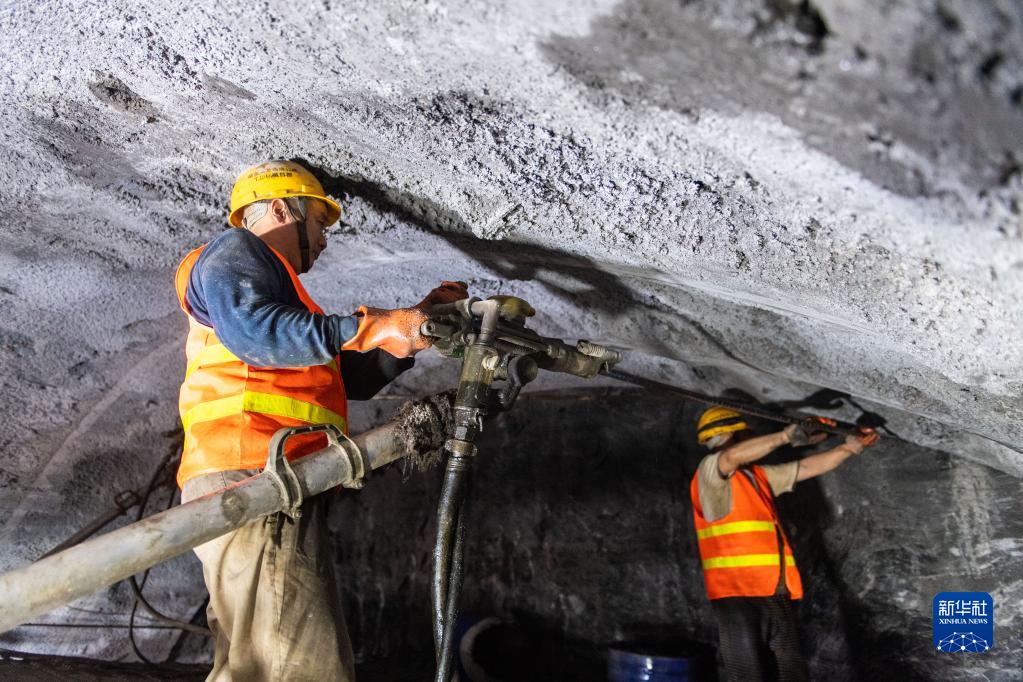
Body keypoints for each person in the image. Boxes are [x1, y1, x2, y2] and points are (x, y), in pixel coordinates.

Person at [174, 160, 467, 681]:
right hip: (257, 478)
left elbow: (348, 379)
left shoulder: (284, 307)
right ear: (280, 208)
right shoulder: (235, 251)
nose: (326, 238)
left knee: (252, 667)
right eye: (318, 221)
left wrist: (410, 330)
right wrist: (371, 327)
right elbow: (259, 334)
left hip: (259, 479)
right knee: (303, 669)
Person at [689, 406, 879, 681]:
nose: (750, 439)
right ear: (734, 434)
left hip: (774, 591)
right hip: (738, 595)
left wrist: (849, 448)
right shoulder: (709, 473)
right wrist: (787, 436)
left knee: (790, 671)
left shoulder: (755, 476)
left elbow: (807, 467)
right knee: (747, 674)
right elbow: (730, 457)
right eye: (746, 435)